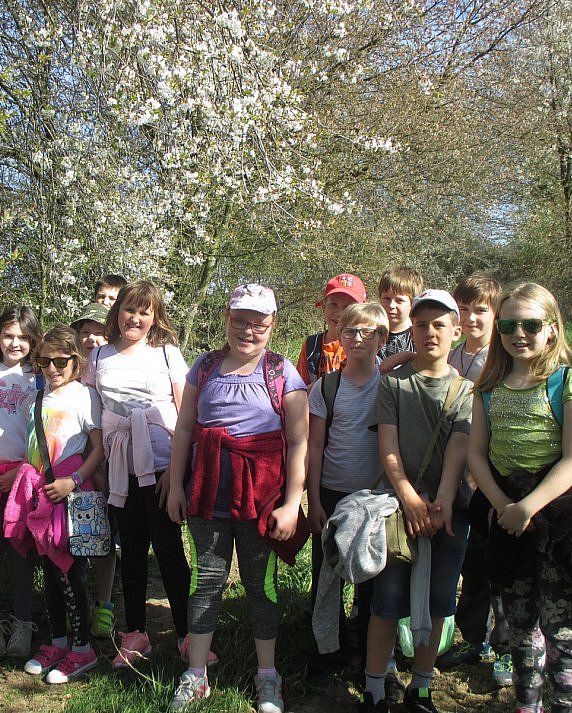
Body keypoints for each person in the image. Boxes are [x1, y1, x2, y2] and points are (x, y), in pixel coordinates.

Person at [467, 282, 572, 713]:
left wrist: (528, 507)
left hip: (560, 521)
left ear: (552, 328)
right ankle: (527, 705)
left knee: (561, 629)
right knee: (519, 626)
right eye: (508, 326)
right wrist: (504, 507)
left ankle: (566, 706)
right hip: (508, 520)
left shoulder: (569, 383)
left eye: (531, 325)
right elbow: (477, 454)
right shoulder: (487, 387)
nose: (518, 334)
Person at [167, 283, 309, 713]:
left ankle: (268, 675)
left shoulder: (283, 373)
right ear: (227, 320)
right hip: (207, 493)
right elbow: (185, 429)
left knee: (260, 585)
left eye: (258, 324)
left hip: (262, 498)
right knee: (206, 580)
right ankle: (196, 674)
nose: (248, 330)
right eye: (240, 321)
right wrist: (174, 485)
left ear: (272, 325)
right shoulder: (204, 367)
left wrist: (292, 503)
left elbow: (299, 442)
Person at [84, 280, 213, 668]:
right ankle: (136, 633)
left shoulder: (167, 354)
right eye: (129, 309)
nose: (135, 318)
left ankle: (187, 634)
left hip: (161, 466)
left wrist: (176, 472)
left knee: (169, 549)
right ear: (117, 311)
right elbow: (92, 414)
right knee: (132, 550)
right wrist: (97, 466)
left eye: (145, 312)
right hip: (119, 468)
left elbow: (186, 412)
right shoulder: (99, 356)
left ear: (155, 318)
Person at [359, 290, 473, 713]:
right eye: (421, 324)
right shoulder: (393, 383)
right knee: (387, 601)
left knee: (440, 600)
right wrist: (408, 498)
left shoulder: (467, 390)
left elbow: (459, 448)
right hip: (396, 508)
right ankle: (374, 688)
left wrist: (440, 504)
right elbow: (387, 447)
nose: (429, 332)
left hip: (449, 512)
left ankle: (421, 687)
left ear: (456, 332)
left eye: (439, 324)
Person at [436, 275, 511, 680]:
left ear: (496, 314)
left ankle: (507, 646)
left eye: (481, 310)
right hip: (460, 476)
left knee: (500, 565)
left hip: (495, 476)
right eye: (463, 310)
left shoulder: (502, 358)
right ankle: (474, 637)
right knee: (472, 562)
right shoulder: (453, 355)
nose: (471, 318)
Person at [20, 325, 105, 683]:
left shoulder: (84, 397)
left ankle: (82, 649)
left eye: (60, 361)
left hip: (71, 496)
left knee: (71, 572)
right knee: (50, 573)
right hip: (41, 497)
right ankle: (57, 642)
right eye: (44, 361)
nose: (52, 369)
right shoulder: (37, 398)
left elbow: (99, 448)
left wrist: (76, 480)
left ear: (76, 361)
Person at [307, 303, 387, 665]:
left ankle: (369, 651)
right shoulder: (326, 387)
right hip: (332, 492)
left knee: (373, 577)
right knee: (326, 576)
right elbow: (314, 446)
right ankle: (328, 648)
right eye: (350, 331)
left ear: (381, 338)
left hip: (375, 497)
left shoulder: (391, 386)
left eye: (367, 332)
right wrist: (314, 498)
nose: (357, 339)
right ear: (339, 336)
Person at [0, 306, 42, 659]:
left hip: (23, 476)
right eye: (8, 335)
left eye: (23, 337)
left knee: (21, 550)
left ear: (33, 340)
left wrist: (22, 470)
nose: (14, 343)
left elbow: (44, 430)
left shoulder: (39, 376)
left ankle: (22, 623)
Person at [70, 300, 117, 638]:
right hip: (74, 470)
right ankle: (76, 605)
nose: (91, 339)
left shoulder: (111, 370)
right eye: (85, 332)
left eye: (99, 333)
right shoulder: (64, 370)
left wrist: (100, 470)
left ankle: (106, 604)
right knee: (75, 538)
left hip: (110, 466)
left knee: (106, 540)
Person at [295, 273, 367, 385]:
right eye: (333, 304)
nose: (339, 313)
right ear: (323, 307)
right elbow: (299, 389)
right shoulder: (312, 346)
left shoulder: (367, 345)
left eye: (348, 307)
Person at [377, 267, 424, 360]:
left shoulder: (418, 337)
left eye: (399, 300)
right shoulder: (371, 333)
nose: (391, 305)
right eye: (386, 299)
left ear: (413, 303)